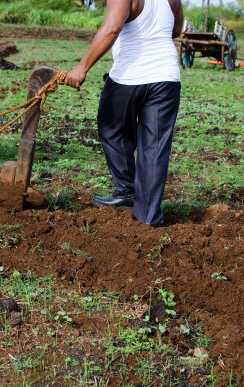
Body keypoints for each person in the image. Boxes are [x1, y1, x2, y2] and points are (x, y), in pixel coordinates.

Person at [64, 0, 183, 228]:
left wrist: (82, 67)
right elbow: (175, 30)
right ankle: (147, 217)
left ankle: (127, 190)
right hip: (166, 78)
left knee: (111, 128)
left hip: (128, 78)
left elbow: (112, 28)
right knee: (154, 149)